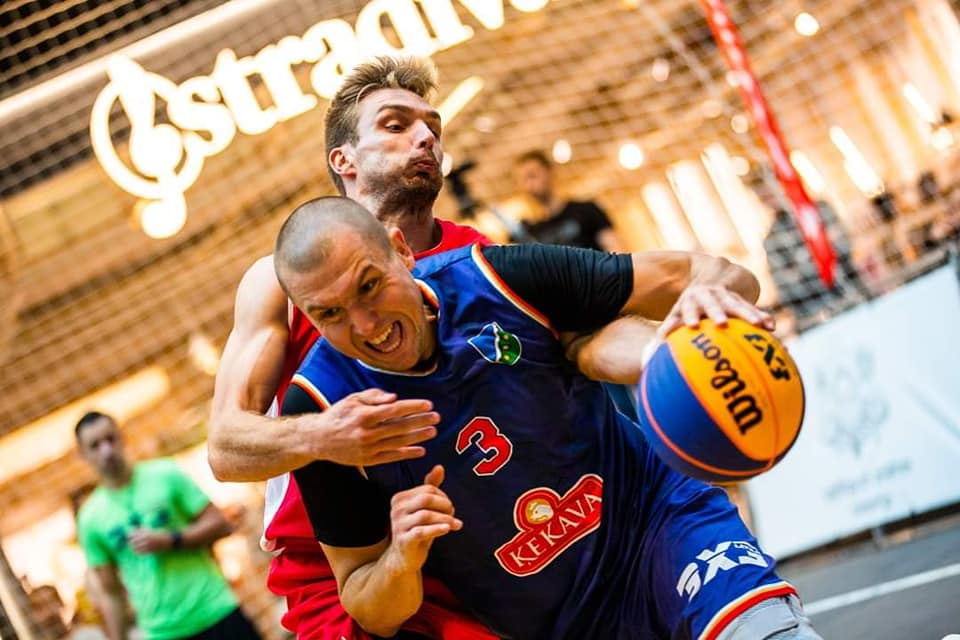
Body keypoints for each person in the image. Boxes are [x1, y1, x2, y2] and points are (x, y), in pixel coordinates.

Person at [275, 197, 822, 640]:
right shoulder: (320, 412)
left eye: (369, 285)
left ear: (401, 251)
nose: (365, 324)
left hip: (657, 523)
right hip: (557, 623)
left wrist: (701, 309)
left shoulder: (496, 279)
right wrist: (401, 558)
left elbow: (721, 276)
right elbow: (367, 605)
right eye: (330, 313)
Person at [207, 55, 501, 639]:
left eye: (432, 127)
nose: (425, 137)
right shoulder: (279, 281)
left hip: (474, 538)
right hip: (337, 571)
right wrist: (324, 436)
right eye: (396, 125)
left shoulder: (480, 256)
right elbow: (225, 448)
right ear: (343, 159)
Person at [74, 411, 261, 640]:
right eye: (95, 445)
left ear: (122, 437)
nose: (106, 450)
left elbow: (220, 525)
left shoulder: (165, 474)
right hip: (162, 632)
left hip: (215, 609)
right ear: (83, 455)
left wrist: (170, 540)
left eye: (110, 439)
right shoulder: (90, 518)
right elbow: (111, 593)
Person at [511, 149, 626, 252]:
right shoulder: (529, 232)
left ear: (550, 172)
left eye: (532, 175)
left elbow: (616, 252)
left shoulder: (586, 211)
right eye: (523, 180)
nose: (529, 185)